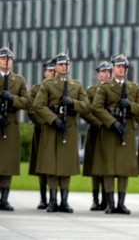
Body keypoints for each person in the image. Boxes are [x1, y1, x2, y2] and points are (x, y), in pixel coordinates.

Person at [33, 52, 90, 213]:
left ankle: (64, 201)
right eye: (61, 64)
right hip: (53, 128)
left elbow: (86, 106)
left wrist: (73, 103)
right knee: (52, 166)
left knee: (65, 167)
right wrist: (53, 119)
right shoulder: (47, 85)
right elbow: (38, 105)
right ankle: (52, 200)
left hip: (69, 128)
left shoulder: (76, 85)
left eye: (66, 64)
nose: (64, 67)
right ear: (56, 67)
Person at [91, 54, 139, 214]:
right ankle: (110, 203)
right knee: (108, 167)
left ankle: (121, 203)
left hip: (127, 128)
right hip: (110, 130)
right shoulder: (105, 87)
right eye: (118, 67)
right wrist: (112, 122)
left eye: (124, 67)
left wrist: (130, 106)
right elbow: (97, 107)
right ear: (114, 68)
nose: (121, 69)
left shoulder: (134, 88)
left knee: (124, 168)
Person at [0, 47, 29, 211]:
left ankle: (4, 198)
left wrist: (12, 99)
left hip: (10, 124)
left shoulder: (18, 80)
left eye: (9, 59)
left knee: (8, 164)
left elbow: (27, 102)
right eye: (3, 58)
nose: (6, 61)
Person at [83, 61, 112, 211]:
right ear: (98, 74)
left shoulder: (115, 90)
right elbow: (87, 111)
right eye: (103, 71)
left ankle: (107, 199)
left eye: (108, 71)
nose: (106, 74)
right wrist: (101, 124)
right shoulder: (91, 91)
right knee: (95, 169)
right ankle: (95, 199)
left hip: (110, 133)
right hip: (96, 131)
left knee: (107, 166)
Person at [27, 58, 55, 210]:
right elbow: (31, 110)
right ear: (45, 72)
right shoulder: (37, 89)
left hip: (56, 131)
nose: (52, 73)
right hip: (42, 131)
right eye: (50, 71)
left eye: (54, 70)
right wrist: (45, 123)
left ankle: (54, 198)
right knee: (42, 165)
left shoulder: (61, 87)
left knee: (55, 165)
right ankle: (43, 197)